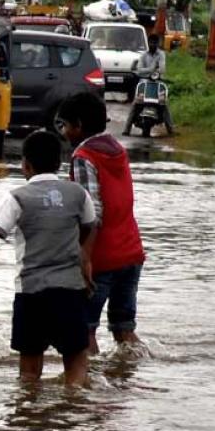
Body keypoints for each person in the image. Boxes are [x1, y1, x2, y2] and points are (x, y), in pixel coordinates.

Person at [0, 131, 97, 386]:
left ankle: (26, 421)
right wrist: (85, 260)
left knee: (28, 374)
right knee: (77, 367)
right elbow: (90, 227)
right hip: (70, 292)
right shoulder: (79, 195)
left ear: (25, 164)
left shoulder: (16, 197)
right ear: (59, 162)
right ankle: (73, 417)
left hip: (31, 294)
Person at [58, 92, 147, 354]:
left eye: (64, 125)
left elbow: (92, 211)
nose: (63, 132)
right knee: (124, 331)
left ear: (79, 125)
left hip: (101, 258)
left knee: (84, 331)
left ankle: (88, 391)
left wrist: (84, 258)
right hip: (131, 254)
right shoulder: (117, 149)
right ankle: (127, 383)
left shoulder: (84, 156)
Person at [125, 33, 174, 135]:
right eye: (151, 42)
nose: (153, 44)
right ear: (148, 43)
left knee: (164, 103)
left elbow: (162, 68)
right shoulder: (143, 55)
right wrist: (151, 69)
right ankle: (126, 129)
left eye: (155, 43)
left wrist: (150, 71)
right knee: (136, 103)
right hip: (144, 82)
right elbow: (139, 70)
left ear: (158, 43)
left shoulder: (161, 54)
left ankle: (171, 129)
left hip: (157, 82)